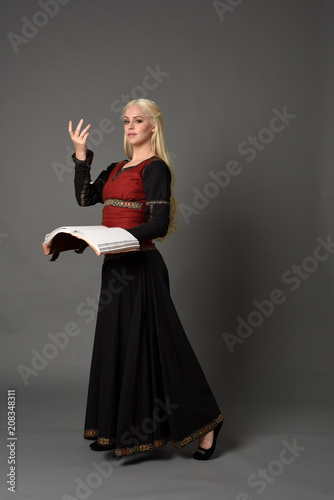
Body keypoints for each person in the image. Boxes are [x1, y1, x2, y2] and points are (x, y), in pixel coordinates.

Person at [68, 98, 223, 460]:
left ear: (153, 126)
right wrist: (80, 155)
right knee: (117, 344)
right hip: (115, 268)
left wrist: (111, 239)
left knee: (163, 349)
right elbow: (84, 198)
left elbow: (157, 224)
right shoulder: (116, 167)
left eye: (138, 120)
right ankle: (115, 430)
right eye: (125, 121)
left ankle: (207, 423)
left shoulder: (156, 169)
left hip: (143, 269)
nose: (131, 126)